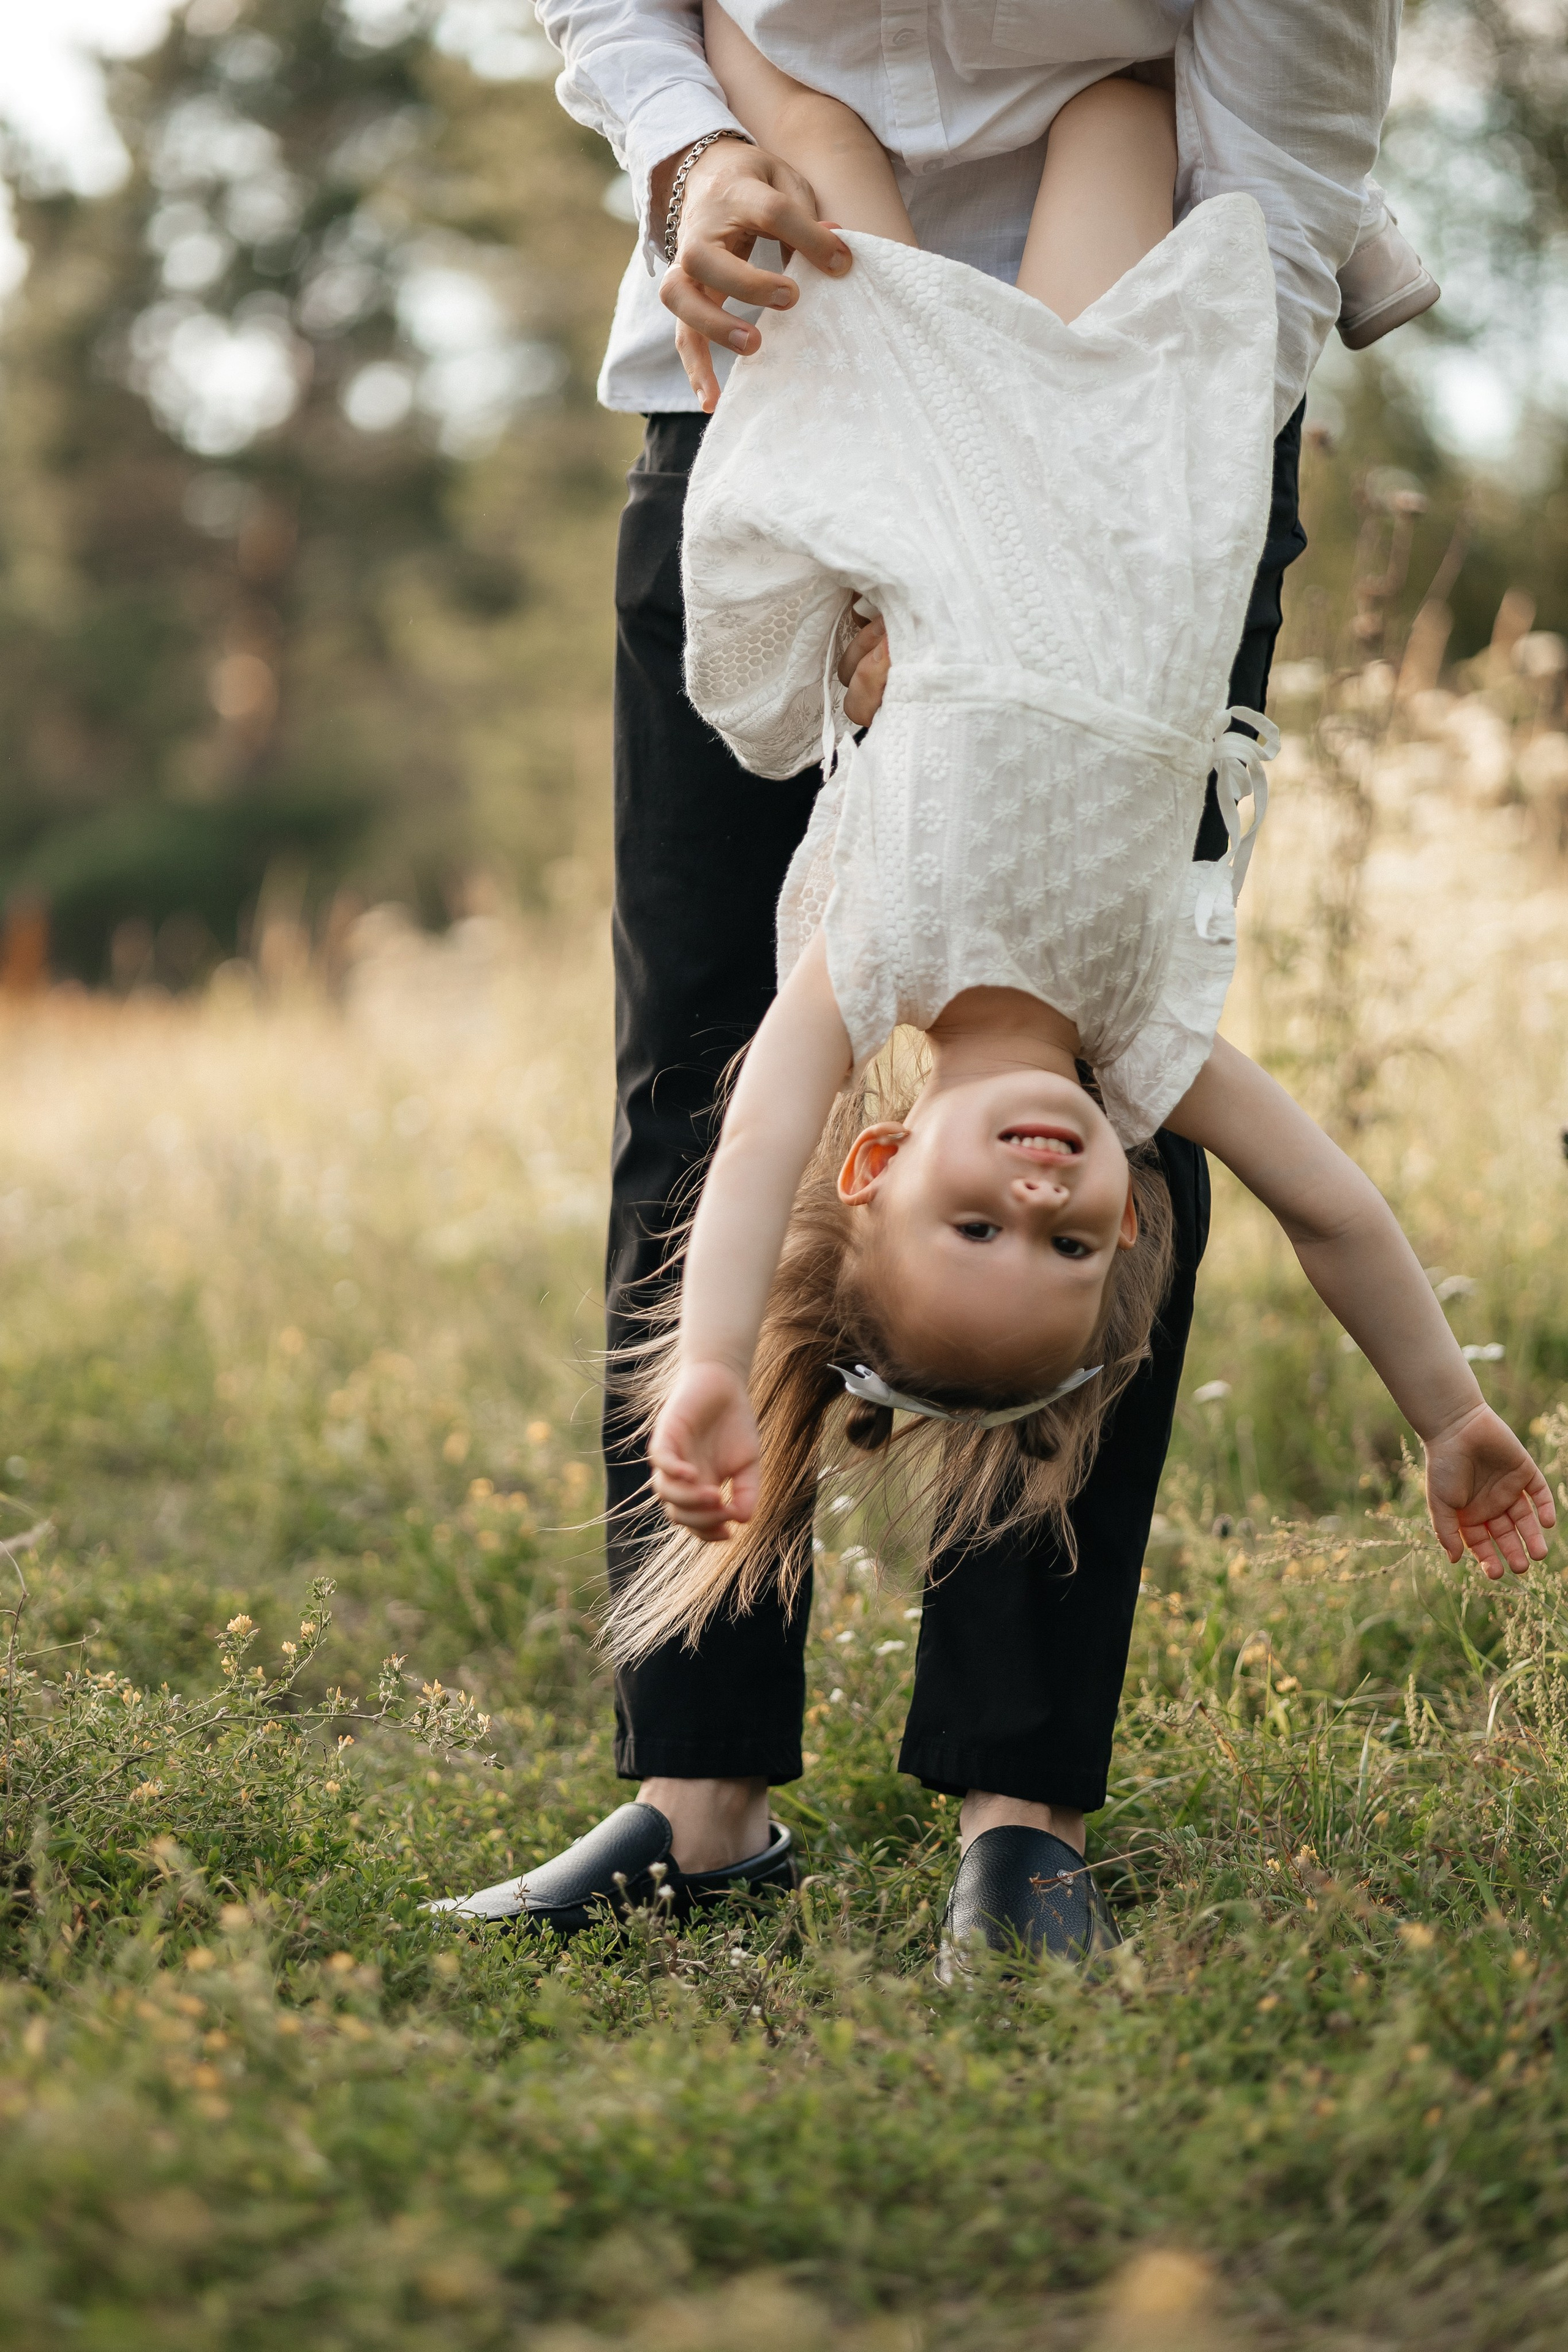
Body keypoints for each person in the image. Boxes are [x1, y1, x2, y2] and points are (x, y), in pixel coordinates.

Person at [431, 1, 1467, 1962]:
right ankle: (703, 1792)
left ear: (883, 1154)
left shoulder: (876, 944)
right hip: (1128, 468)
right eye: (1062, 1235)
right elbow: (1334, 1203)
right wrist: (1447, 1414)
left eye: (980, 1212)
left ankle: (1022, 1807)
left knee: (807, 95)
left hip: (863, 460)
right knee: (1109, 97)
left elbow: (755, 1152)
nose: (1056, 1184)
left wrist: (724, 1367)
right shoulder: (1143, 1055)